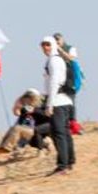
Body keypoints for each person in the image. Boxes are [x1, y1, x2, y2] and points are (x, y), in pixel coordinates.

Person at [41, 36, 76, 175]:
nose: (45, 47)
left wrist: (49, 104)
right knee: (65, 133)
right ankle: (70, 161)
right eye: (43, 45)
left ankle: (63, 165)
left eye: (48, 44)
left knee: (59, 133)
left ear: (54, 45)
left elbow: (54, 82)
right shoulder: (57, 59)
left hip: (58, 101)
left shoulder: (54, 60)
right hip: (65, 100)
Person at [0, 89, 51, 153]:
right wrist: (18, 108)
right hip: (31, 135)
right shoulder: (27, 109)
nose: (28, 100)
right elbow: (19, 116)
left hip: (40, 132)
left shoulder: (43, 106)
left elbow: (48, 116)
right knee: (13, 128)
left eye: (30, 98)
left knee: (17, 128)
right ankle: (1, 147)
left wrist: (35, 110)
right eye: (27, 98)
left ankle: (7, 148)